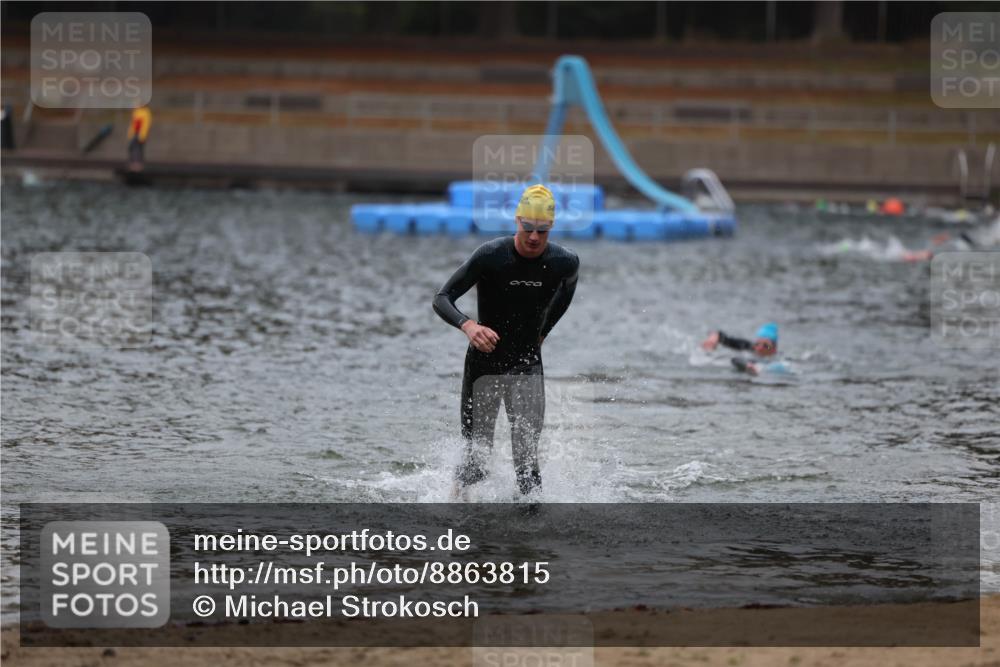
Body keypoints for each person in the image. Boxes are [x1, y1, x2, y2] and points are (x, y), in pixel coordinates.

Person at [433, 184, 579, 497]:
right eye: (528, 228)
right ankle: (457, 506)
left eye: (542, 230)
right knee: (476, 459)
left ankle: (531, 523)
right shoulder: (490, 256)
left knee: (527, 462)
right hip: (484, 363)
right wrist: (468, 326)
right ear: (517, 221)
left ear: (551, 226)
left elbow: (566, 293)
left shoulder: (565, 262)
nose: (534, 237)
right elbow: (442, 298)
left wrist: (544, 332)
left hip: (527, 364)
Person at [701, 322, 780, 376]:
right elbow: (724, 338)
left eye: (766, 345)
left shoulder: (776, 360)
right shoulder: (749, 346)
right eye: (758, 343)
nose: (760, 347)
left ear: (774, 349)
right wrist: (714, 338)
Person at [127, 104, 152, 170]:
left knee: (138, 148)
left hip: (140, 133)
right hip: (135, 133)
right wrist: (130, 133)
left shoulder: (146, 112)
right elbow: (133, 123)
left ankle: (138, 163)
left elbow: (146, 125)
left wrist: (143, 134)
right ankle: (133, 162)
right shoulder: (136, 111)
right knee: (132, 147)